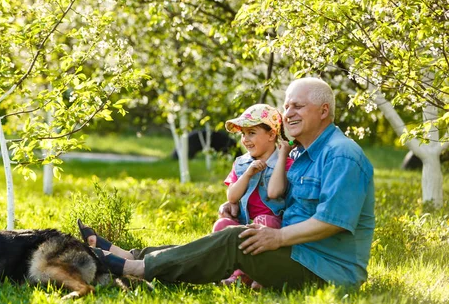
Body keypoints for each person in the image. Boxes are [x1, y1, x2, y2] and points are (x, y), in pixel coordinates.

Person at [79, 78, 375, 290]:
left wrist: (278, 238)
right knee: (228, 237)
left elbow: (332, 222)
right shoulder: (298, 155)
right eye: (286, 106)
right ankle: (134, 257)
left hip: (326, 271)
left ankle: (138, 269)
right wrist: (242, 207)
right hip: (298, 253)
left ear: (323, 111)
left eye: (298, 106)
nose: (288, 114)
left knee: (233, 240)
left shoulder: (342, 154)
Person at [213, 104, 293, 287]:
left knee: (263, 222)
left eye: (252, 133)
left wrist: (281, 158)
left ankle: (246, 274)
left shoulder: (286, 163)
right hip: (244, 220)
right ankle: (227, 271)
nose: (246, 139)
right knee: (222, 224)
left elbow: (274, 192)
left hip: (271, 227)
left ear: (272, 134)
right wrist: (248, 174)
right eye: (243, 134)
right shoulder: (241, 163)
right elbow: (232, 197)